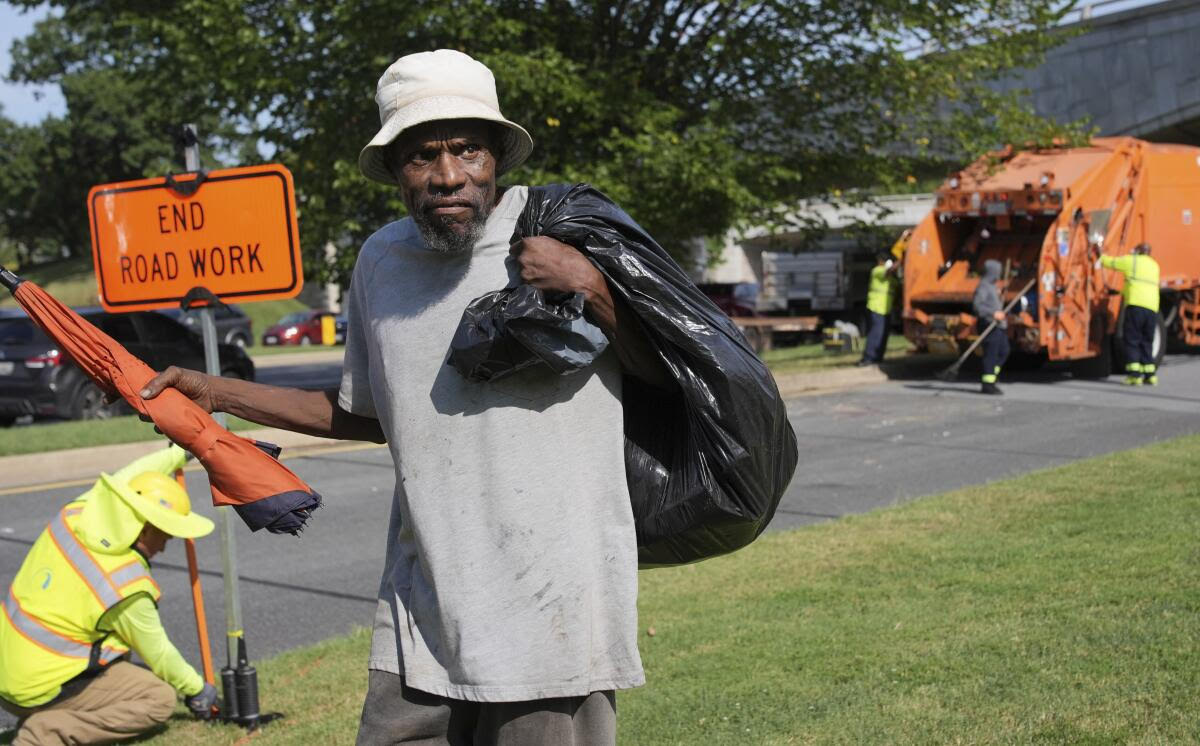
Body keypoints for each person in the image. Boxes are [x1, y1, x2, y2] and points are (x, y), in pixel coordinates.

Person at [139, 49, 671, 745]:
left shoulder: (573, 235)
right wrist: (215, 392)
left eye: (467, 151)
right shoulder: (381, 263)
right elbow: (369, 416)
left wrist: (595, 290)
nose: (449, 175)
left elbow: (670, 376)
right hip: (423, 605)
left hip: (555, 604)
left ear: (499, 158)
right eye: (423, 157)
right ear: (394, 169)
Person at [0, 445, 219, 745]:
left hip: (9, 669)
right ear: (143, 529)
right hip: (36, 688)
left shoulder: (80, 514)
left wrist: (177, 454)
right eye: (165, 533)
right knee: (158, 697)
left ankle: (47, 712)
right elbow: (160, 653)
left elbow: (126, 478)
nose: (166, 545)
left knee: (126, 662)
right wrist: (198, 691)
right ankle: (42, 733)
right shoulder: (124, 584)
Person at [1100, 242, 1161, 385]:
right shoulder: (1154, 265)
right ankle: (1150, 375)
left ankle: (1135, 375)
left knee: (1132, 339)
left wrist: (1099, 253)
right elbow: (1140, 284)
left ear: (1138, 251)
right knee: (1147, 341)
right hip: (1152, 308)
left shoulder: (1132, 261)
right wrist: (1121, 291)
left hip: (1136, 306)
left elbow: (1110, 262)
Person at [972, 259, 1010, 395]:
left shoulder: (992, 286)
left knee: (1004, 351)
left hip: (998, 326)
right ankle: (988, 384)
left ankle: (992, 374)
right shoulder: (983, 286)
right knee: (991, 355)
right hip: (988, 325)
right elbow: (977, 306)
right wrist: (993, 313)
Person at [858, 250, 901, 366]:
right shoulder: (877, 271)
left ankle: (878, 358)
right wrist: (902, 259)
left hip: (886, 309)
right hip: (876, 307)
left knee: (884, 334)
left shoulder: (891, 278)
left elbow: (896, 288)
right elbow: (889, 271)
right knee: (876, 333)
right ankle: (867, 358)